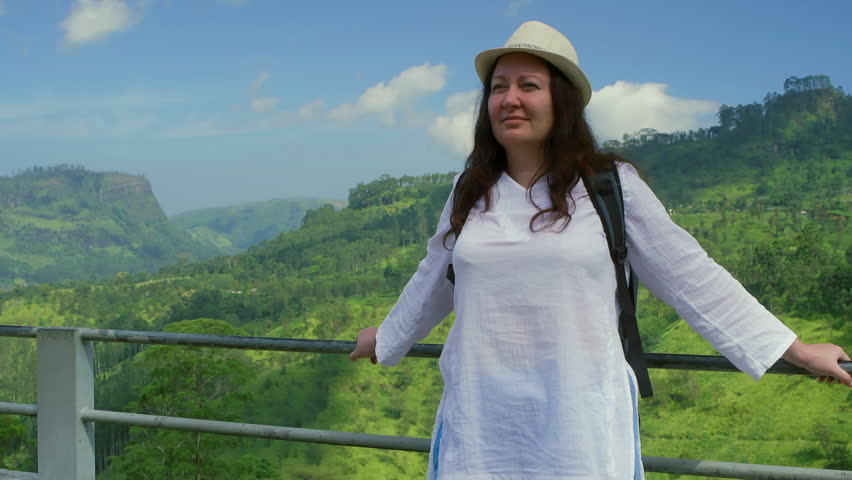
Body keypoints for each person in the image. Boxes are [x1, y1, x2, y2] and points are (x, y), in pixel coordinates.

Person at [349, 20, 851, 480]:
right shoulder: (469, 190)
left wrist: (797, 351)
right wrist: (387, 337)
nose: (509, 99)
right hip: (482, 424)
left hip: (579, 425)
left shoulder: (609, 187)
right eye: (498, 88)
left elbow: (692, 278)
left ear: (562, 100)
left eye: (529, 86)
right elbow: (435, 278)